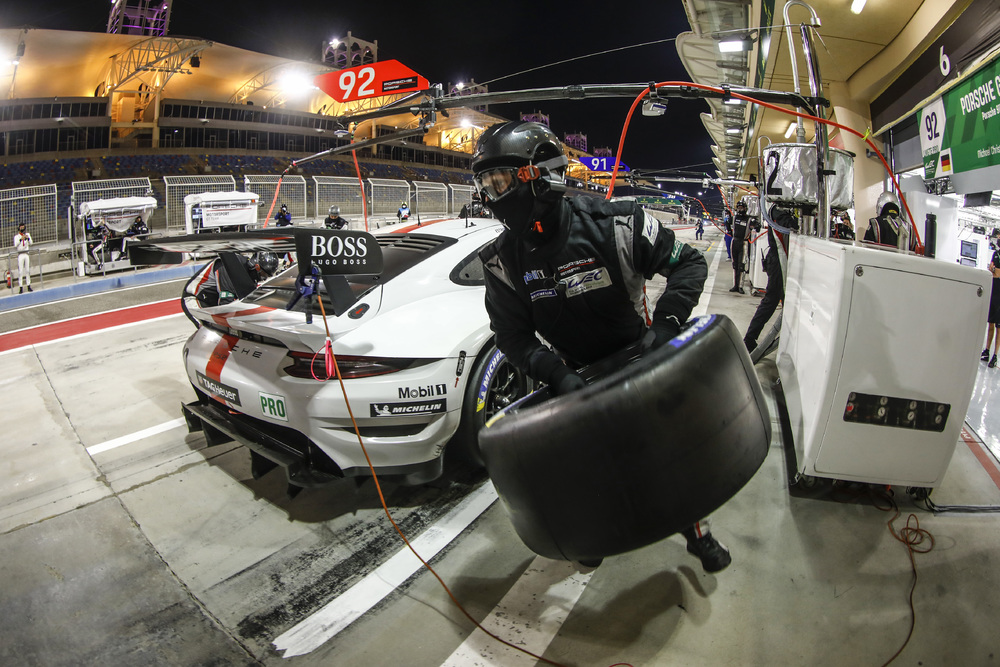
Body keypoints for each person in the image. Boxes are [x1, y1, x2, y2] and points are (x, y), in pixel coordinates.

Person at [474, 120, 730, 573]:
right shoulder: (501, 262)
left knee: (667, 455)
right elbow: (511, 336)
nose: (493, 195)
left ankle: (695, 529)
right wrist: (556, 374)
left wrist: (666, 327)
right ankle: (592, 531)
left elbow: (688, 263)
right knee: (588, 465)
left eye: (501, 181)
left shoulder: (617, 223)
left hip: (641, 360)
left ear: (541, 174)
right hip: (574, 376)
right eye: (486, 184)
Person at [744, 206, 799, 353]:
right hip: (778, 261)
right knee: (771, 301)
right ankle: (749, 339)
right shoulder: (776, 209)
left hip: (783, 260)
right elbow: (791, 225)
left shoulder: (783, 209)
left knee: (782, 301)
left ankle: (787, 342)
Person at [187, 251, 278, 308]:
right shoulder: (228, 266)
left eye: (266, 275)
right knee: (208, 329)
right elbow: (226, 302)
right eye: (263, 274)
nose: (263, 278)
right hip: (195, 298)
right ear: (255, 266)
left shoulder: (250, 275)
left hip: (213, 301)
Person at [729, 199, 756, 294]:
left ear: (745, 208)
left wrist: (756, 225)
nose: (740, 210)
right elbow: (727, 224)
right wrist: (729, 232)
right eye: (738, 208)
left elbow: (756, 227)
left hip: (743, 242)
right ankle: (735, 285)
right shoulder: (734, 218)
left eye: (741, 208)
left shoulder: (749, 219)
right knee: (735, 265)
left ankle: (740, 286)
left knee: (741, 265)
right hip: (734, 241)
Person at [983, 240, 1000, 367]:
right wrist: (994, 269)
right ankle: (987, 350)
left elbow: (996, 273)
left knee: (999, 327)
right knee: (991, 324)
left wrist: (994, 269)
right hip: (993, 293)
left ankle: (995, 355)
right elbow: (992, 271)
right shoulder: (996, 254)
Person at [13, 222, 32, 294]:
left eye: (23, 227)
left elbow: (31, 243)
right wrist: (21, 239)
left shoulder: (28, 234)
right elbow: (15, 245)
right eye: (21, 227)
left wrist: (28, 238)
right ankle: (20, 286)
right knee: (20, 271)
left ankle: (28, 285)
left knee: (27, 270)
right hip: (20, 254)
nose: (22, 229)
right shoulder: (16, 237)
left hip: (26, 253)